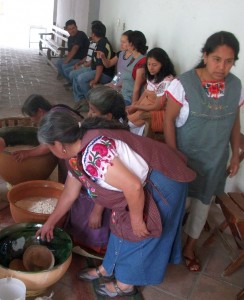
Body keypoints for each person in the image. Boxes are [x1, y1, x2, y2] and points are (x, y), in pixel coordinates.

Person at [36, 110, 196, 297]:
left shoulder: (95, 156)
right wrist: (50, 222)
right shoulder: (75, 152)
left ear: (58, 144)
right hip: (137, 186)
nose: (49, 150)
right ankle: (107, 267)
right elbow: (69, 193)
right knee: (119, 225)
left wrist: (137, 221)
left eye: (48, 147)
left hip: (161, 182)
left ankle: (126, 284)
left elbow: (134, 187)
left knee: (140, 235)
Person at [164, 31, 243, 272]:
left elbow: (234, 121)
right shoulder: (183, 84)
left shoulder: (235, 85)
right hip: (186, 160)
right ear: (205, 56)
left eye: (229, 61)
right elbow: (168, 121)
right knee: (178, 206)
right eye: (217, 59)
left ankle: (189, 248)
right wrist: (174, 157)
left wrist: (235, 155)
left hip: (215, 161)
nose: (222, 66)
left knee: (202, 207)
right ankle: (168, 247)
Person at [127, 47, 176, 135]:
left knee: (128, 123)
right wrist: (136, 104)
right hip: (145, 105)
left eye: (154, 65)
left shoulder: (165, 82)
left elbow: (157, 106)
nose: (150, 68)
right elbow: (146, 91)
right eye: (148, 64)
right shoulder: (153, 75)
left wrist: (137, 107)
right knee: (127, 114)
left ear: (163, 65)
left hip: (153, 109)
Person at [72, 21, 115, 110]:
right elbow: (94, 59)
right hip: (95, 69)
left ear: (94, 34)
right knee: (75, 74)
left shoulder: (102, 45)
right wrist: (84, 65)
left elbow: (100, 66)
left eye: (92, 32)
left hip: (105, 74)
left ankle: (91, 102)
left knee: (81, 78)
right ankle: (80, 99)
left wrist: (95, 80)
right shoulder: (99, 42)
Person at [121, 30, 148, 106]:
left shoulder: (142, 61)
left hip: (128, 98)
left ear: (132, 44)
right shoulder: (130, 56)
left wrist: (132, 108)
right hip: (121, 93)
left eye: (126, 42)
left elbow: (136, 90)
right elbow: (122, 74)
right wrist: (114, 83)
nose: (124, 44)